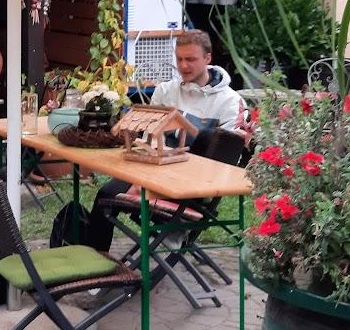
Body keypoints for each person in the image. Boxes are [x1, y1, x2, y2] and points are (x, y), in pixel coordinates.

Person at [84, 29, 251, 251]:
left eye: (190, 59)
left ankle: (174, 227)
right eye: (179, 59)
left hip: (194, 188)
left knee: (210, 137)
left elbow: (226, 162)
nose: (183, 66)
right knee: (106, 194)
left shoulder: (229, 102)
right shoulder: (165, 91)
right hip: (152, 173)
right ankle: (97, 261)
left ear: (208, 58)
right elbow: (148, 139)